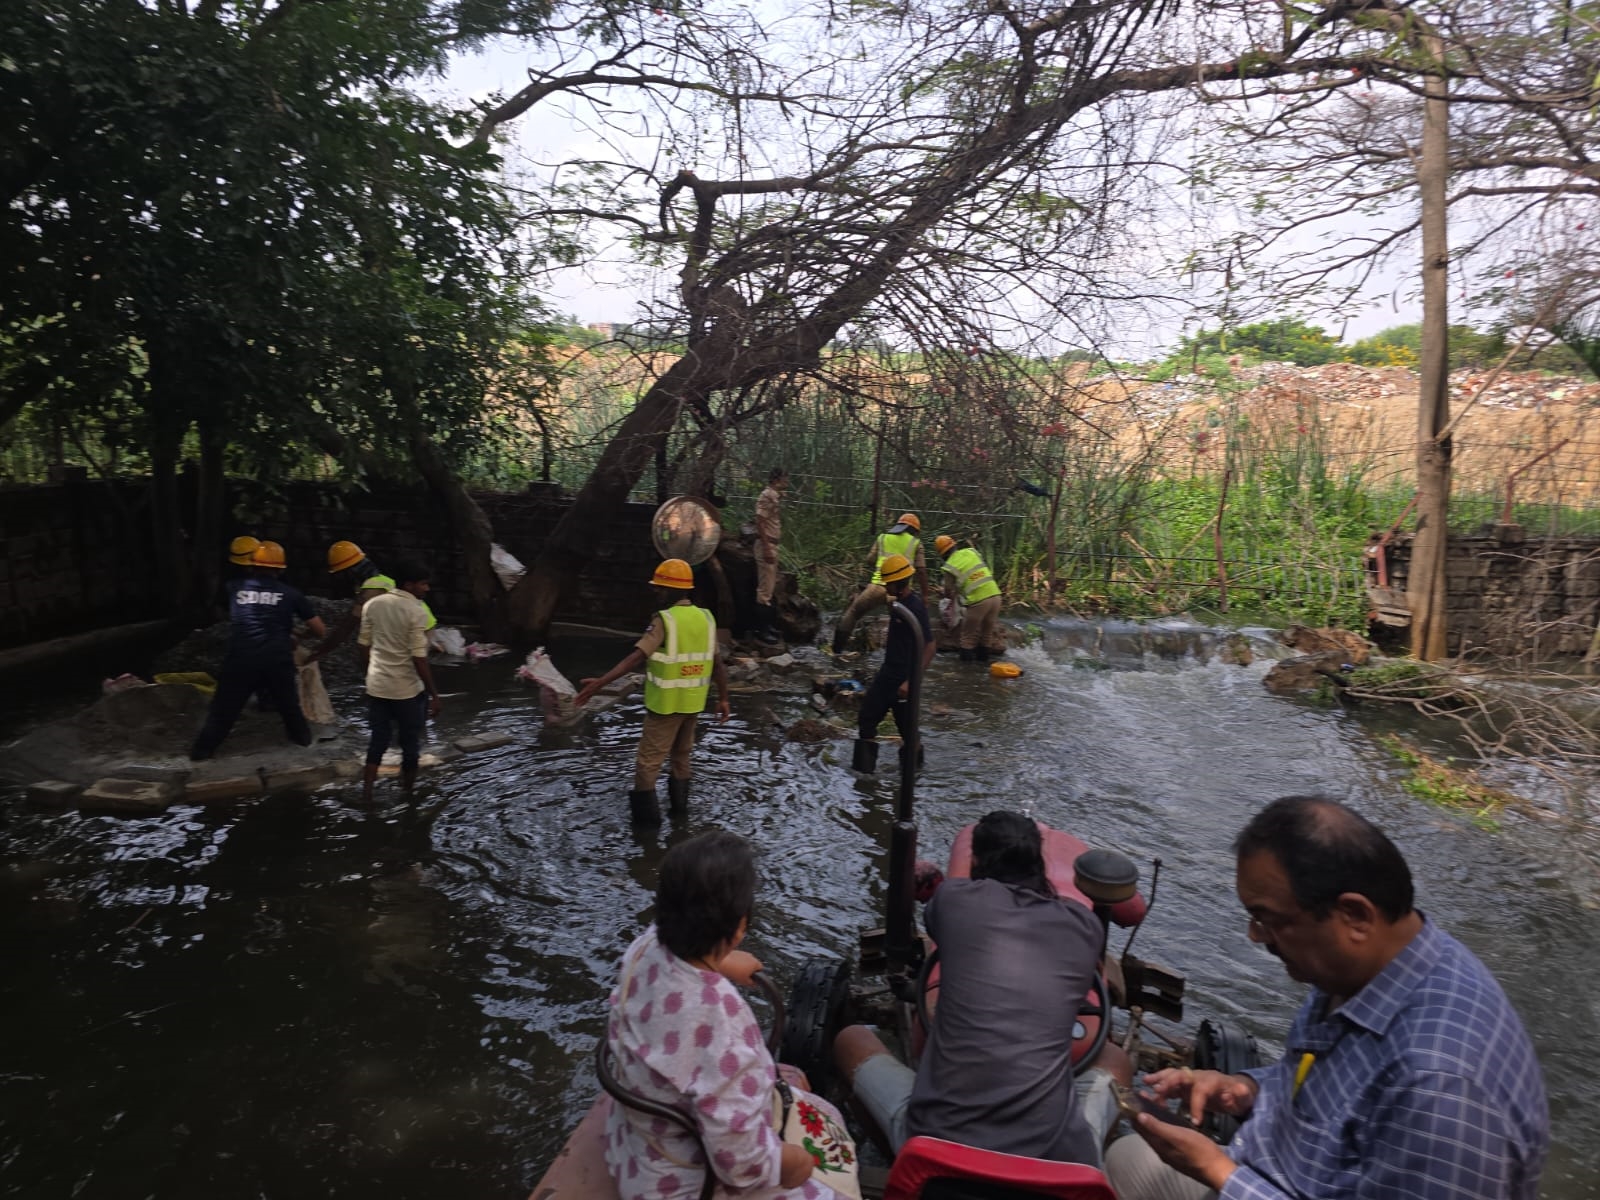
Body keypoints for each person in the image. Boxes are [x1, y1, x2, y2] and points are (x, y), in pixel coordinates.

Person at [1107, 795, 1548, 1200]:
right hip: (1279, 1169)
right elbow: (1321, 1077)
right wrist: (1246, 1089)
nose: (1255, 936)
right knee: (1126, 1158)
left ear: (1354, 915)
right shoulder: (1365, 970)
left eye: (1268, 920)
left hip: (1256, 1181)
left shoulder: (1440, 1086)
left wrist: (1219, 1172)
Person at [831, 811, 1131, 1164]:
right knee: (1116, 1058)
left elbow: (940, 936)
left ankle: (893, 1157)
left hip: (937, 1143)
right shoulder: (1084, 926)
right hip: (1055, 1157)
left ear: (973, 861)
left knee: (850, 1039)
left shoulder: (953, 900)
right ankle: (1096, 1162)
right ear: (1039, 863)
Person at [603, 830, 849, 1199]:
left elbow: (665, 940)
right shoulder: (722, 1024)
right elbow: (741, 1167)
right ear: (739, 927)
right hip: (687, 1184)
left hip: (638, 1145)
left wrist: (723, 961)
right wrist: (792, 1162)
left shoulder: (644, 949)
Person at [575, 558, 732, 825]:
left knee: (647, 764)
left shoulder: (665, 620)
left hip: (665, 706)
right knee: (682, 758)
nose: (656, 592)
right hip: (693, 703)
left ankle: (646, 831)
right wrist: (724, 699)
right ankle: (680, 818)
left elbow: (634, 659)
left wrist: (598, 684)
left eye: (660, 588)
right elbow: (717, 663)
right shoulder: (706, 618)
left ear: (672, 590)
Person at [190, 541, 327, 760]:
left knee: (223, 711)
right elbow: (320, 630)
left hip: (241, 658)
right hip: (277, 659)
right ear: (281, 568)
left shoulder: (234, 587)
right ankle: (304, 744)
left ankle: (201, 753)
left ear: (252, 565)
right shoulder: (291, 594)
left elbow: (234, 615)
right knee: (289, 706)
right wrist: (295, 635)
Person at [357, 559, 443, 804]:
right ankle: (408, 793)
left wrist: (370, 673)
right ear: (409, 584)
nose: (427, 589)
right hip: (407, 691)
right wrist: (434, 695)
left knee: (377, 740)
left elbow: (363, 646)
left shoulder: (372, 605)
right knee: (410, 744)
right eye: (423, 584)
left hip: (377, 687)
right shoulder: (416, 611)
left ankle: (366, 794)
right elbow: (419, 659)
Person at [850, 553, 934, 775]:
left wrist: (911, 681)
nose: (886, 585)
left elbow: (930, 646)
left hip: (903, 680)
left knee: (909, 732)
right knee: (867, 718)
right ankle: (864, 778)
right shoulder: (899, 603)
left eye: (888, 582)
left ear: (898, 583)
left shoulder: (914, 607)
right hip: (888, 674)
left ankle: (912, 777)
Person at [309, 539, 434, 665]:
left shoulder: (372, 590)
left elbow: (347, 627)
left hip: (418, 631)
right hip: (421, 626)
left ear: (351, 572)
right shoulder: (381, 581)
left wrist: (319, 652)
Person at [831, 512, 928, 653]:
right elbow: (922, 571)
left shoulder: (882, 538)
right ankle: (899, 656)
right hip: (900, 592)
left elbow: (869, 559)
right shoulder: (916, 543)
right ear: (914, 530)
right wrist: (925, 595)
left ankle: (836, 650)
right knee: (901, 626)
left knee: (853, 612)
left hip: (877, 586)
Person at [935, 534, 1002, 661]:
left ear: (942, 554)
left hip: (979, 601)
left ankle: (967, 674)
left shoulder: (949, 566)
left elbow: (948, 593)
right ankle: (982, 672)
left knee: (967, 639)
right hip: (996, 596)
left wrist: (941, 592)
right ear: (954, 546)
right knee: (986, 636)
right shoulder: (971, 551)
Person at [754, 467, 789, 645]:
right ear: (777, 479)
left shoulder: (774, 495)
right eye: (785, 478)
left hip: (773, 544)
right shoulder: (767, 496)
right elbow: (760, 521)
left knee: (770, 586)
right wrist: (767, 547)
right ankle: (762, 629)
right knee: (764, 590)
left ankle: (768, 626)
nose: (787, 481)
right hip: (767, 545)